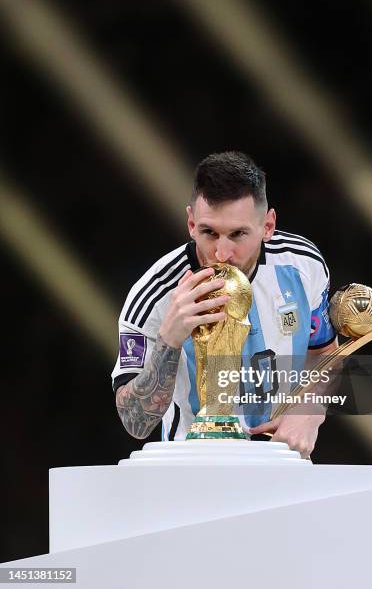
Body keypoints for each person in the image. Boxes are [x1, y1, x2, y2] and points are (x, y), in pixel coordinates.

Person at [112, 151, 337, 457]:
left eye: (238, 234)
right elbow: (134, 422)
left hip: (284, 463)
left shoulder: (303, 265)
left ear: (268, 226)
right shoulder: (154, 295)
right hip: (190, 472)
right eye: (209, 233)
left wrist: (310, 409)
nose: (222, 253)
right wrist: (169, 339)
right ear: (191, 223)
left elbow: (325, 353)